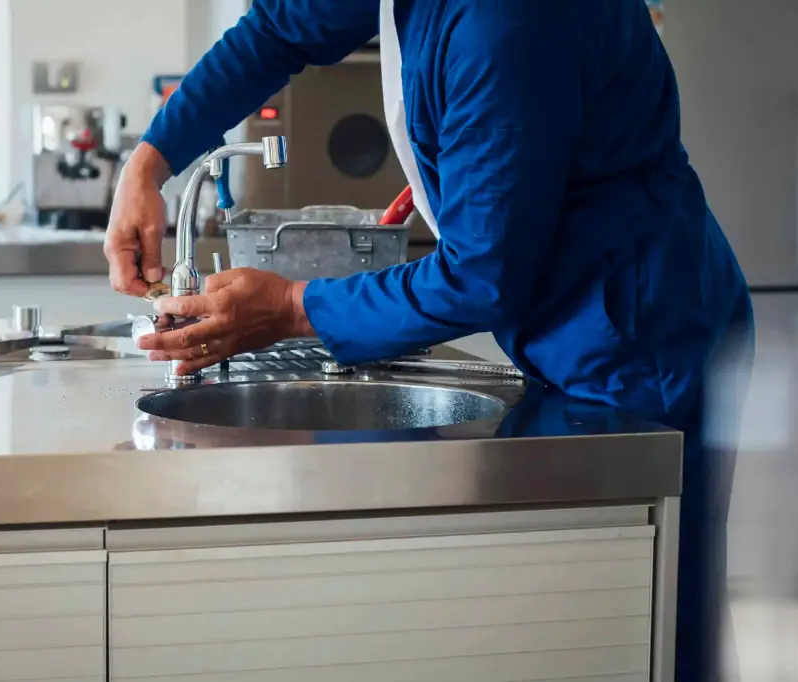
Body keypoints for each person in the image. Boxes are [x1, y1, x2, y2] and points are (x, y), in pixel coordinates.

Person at [104, 1, 754, 680]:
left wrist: (292, 306)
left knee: (659, 623)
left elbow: (481, 276)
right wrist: (148, 164)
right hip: (578, 319)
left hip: (646, 336)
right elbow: (279, 28)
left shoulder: (505, 21)